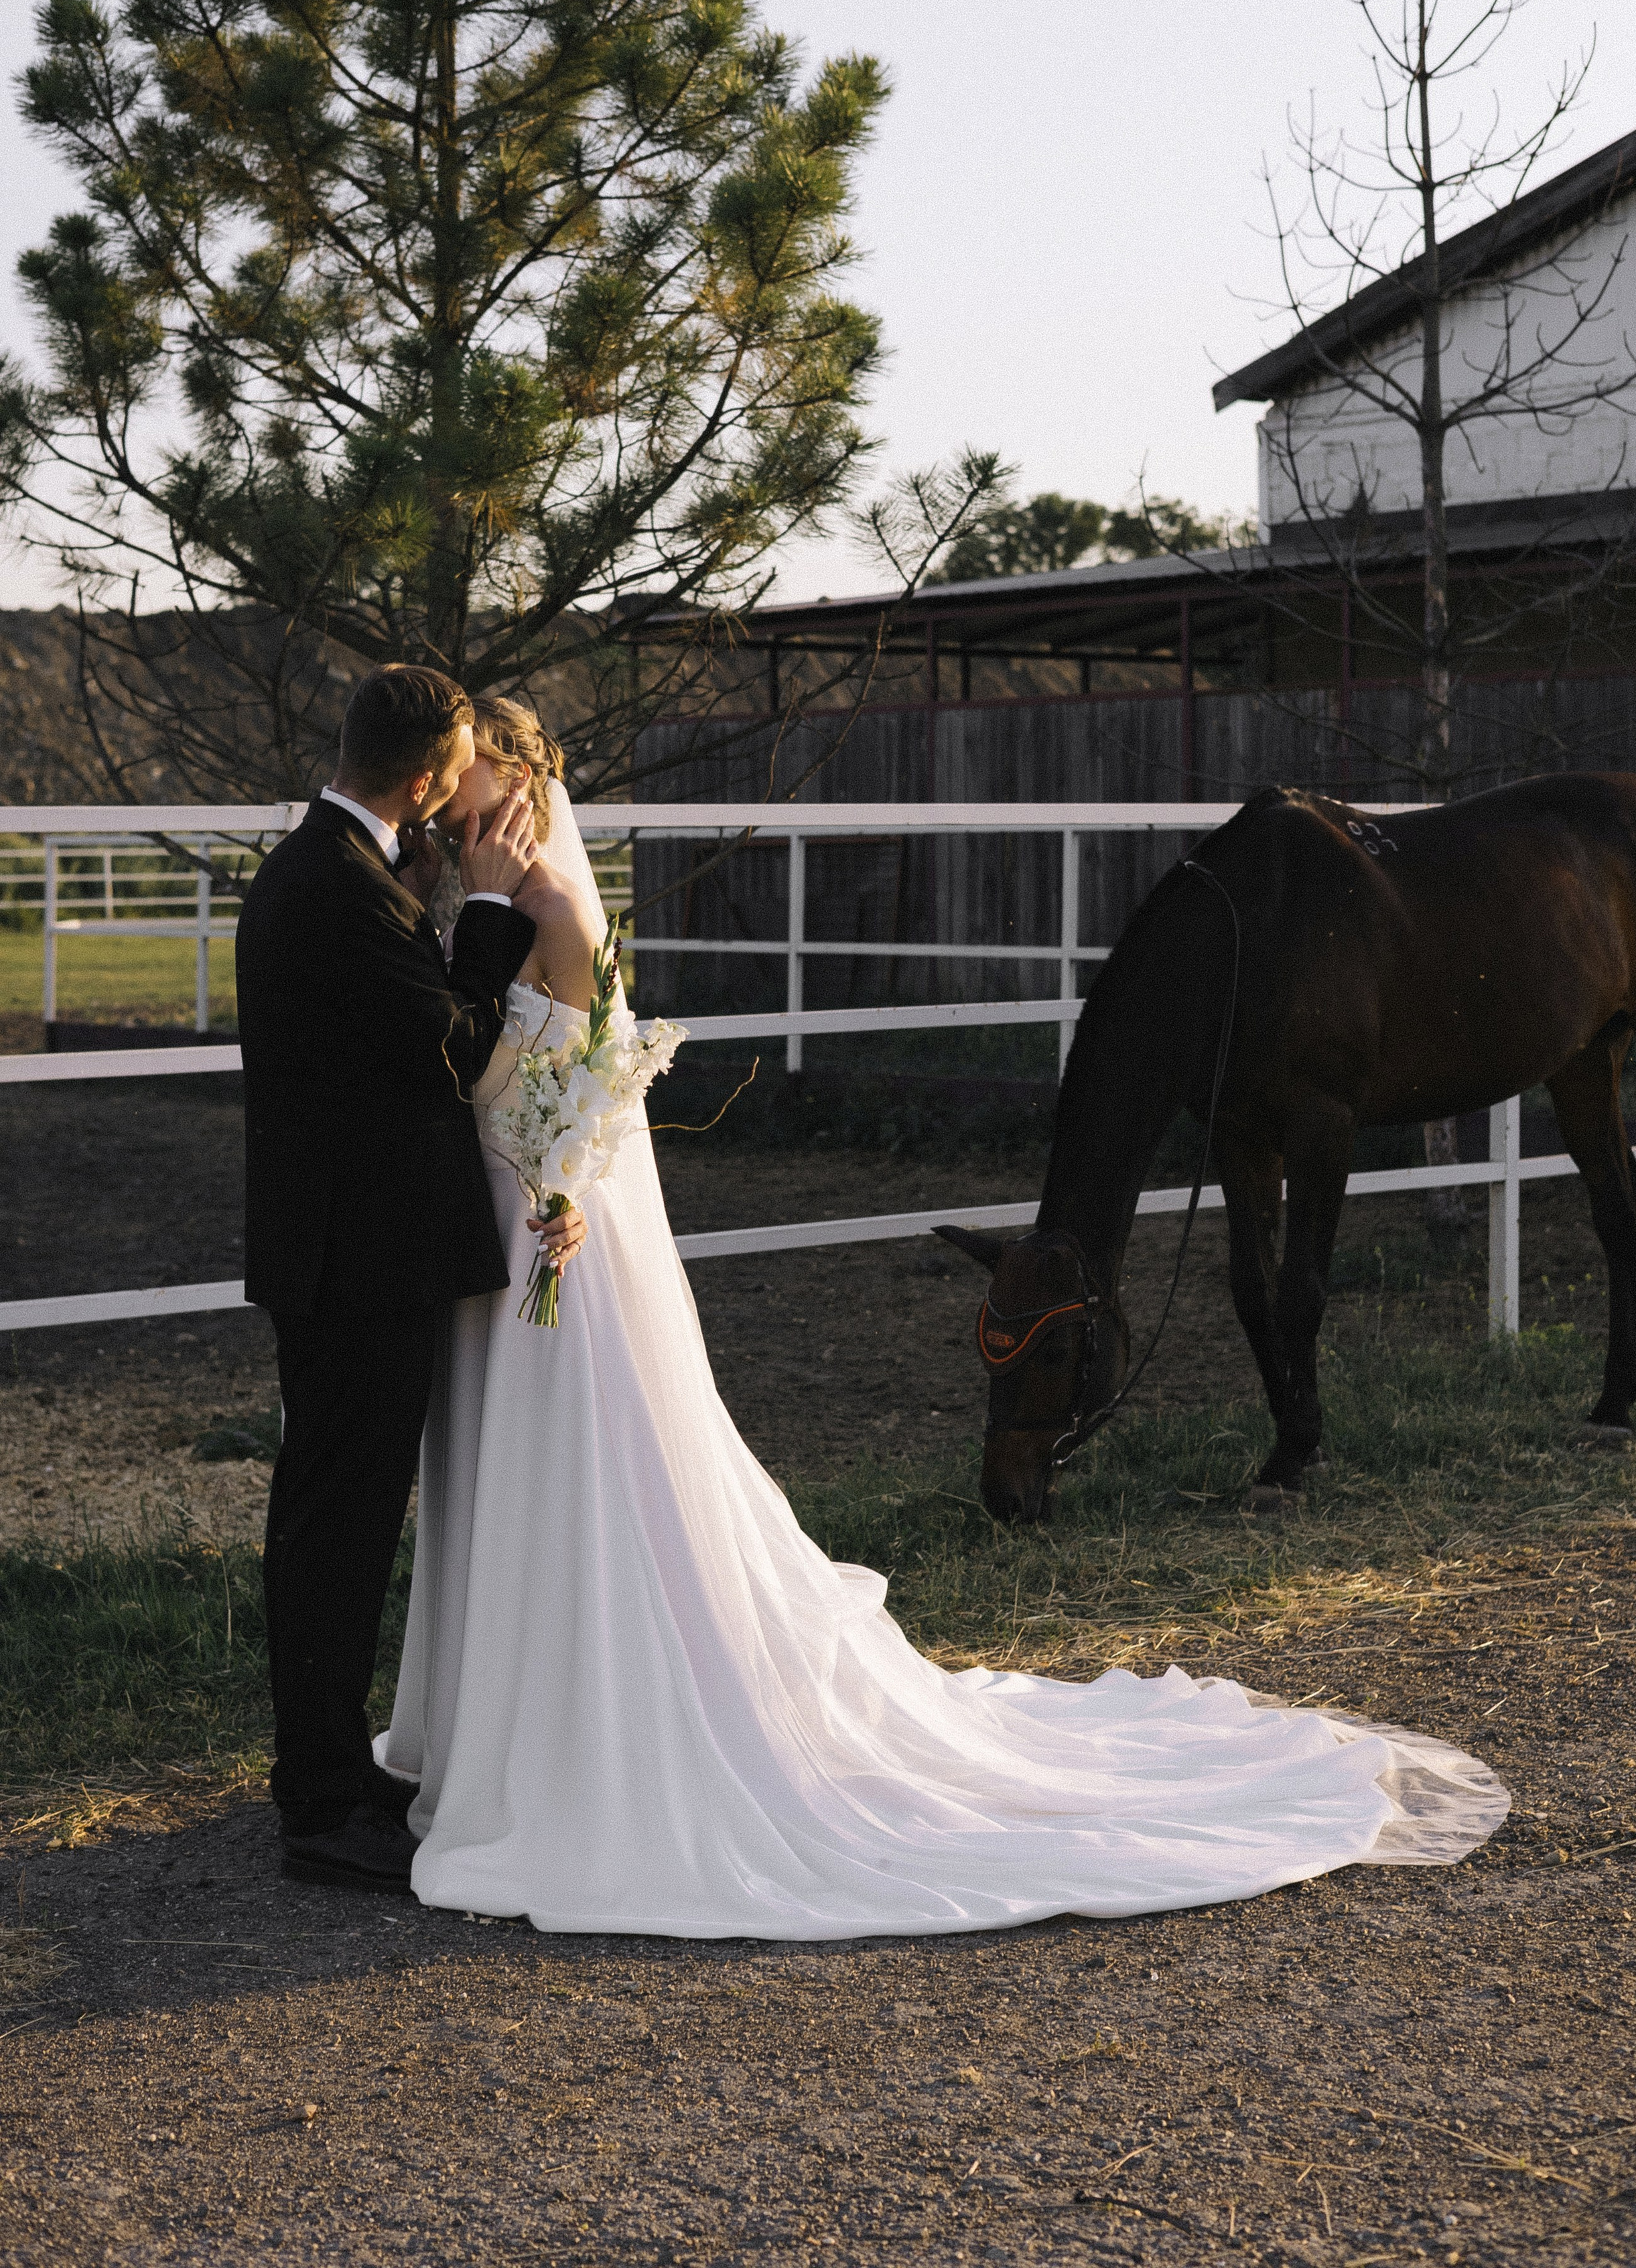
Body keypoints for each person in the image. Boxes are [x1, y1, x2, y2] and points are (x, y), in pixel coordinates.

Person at [378, 707, 1509, 1938]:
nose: (447, 804)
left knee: (582, 1475)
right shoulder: (471, 890)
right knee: (508, 1474)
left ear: (525, 781)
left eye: (469, 783)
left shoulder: (549, 904)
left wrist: (557, 1182)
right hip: (500, 1223)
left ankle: (586, 1738)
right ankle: (508, 1720)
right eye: (442, 790)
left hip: (555, 1234)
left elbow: (594, 1075)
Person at [236, 665, 586, 1893]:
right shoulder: (339, 889)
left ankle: (332, 1766)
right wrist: (487, 911)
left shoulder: (335, 867)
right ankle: (321, 1802)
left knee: (336, 1517)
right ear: (434, 776)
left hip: (346, 1247)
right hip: (354, 1261)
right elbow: (454, 1045)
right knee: (336, 1527)